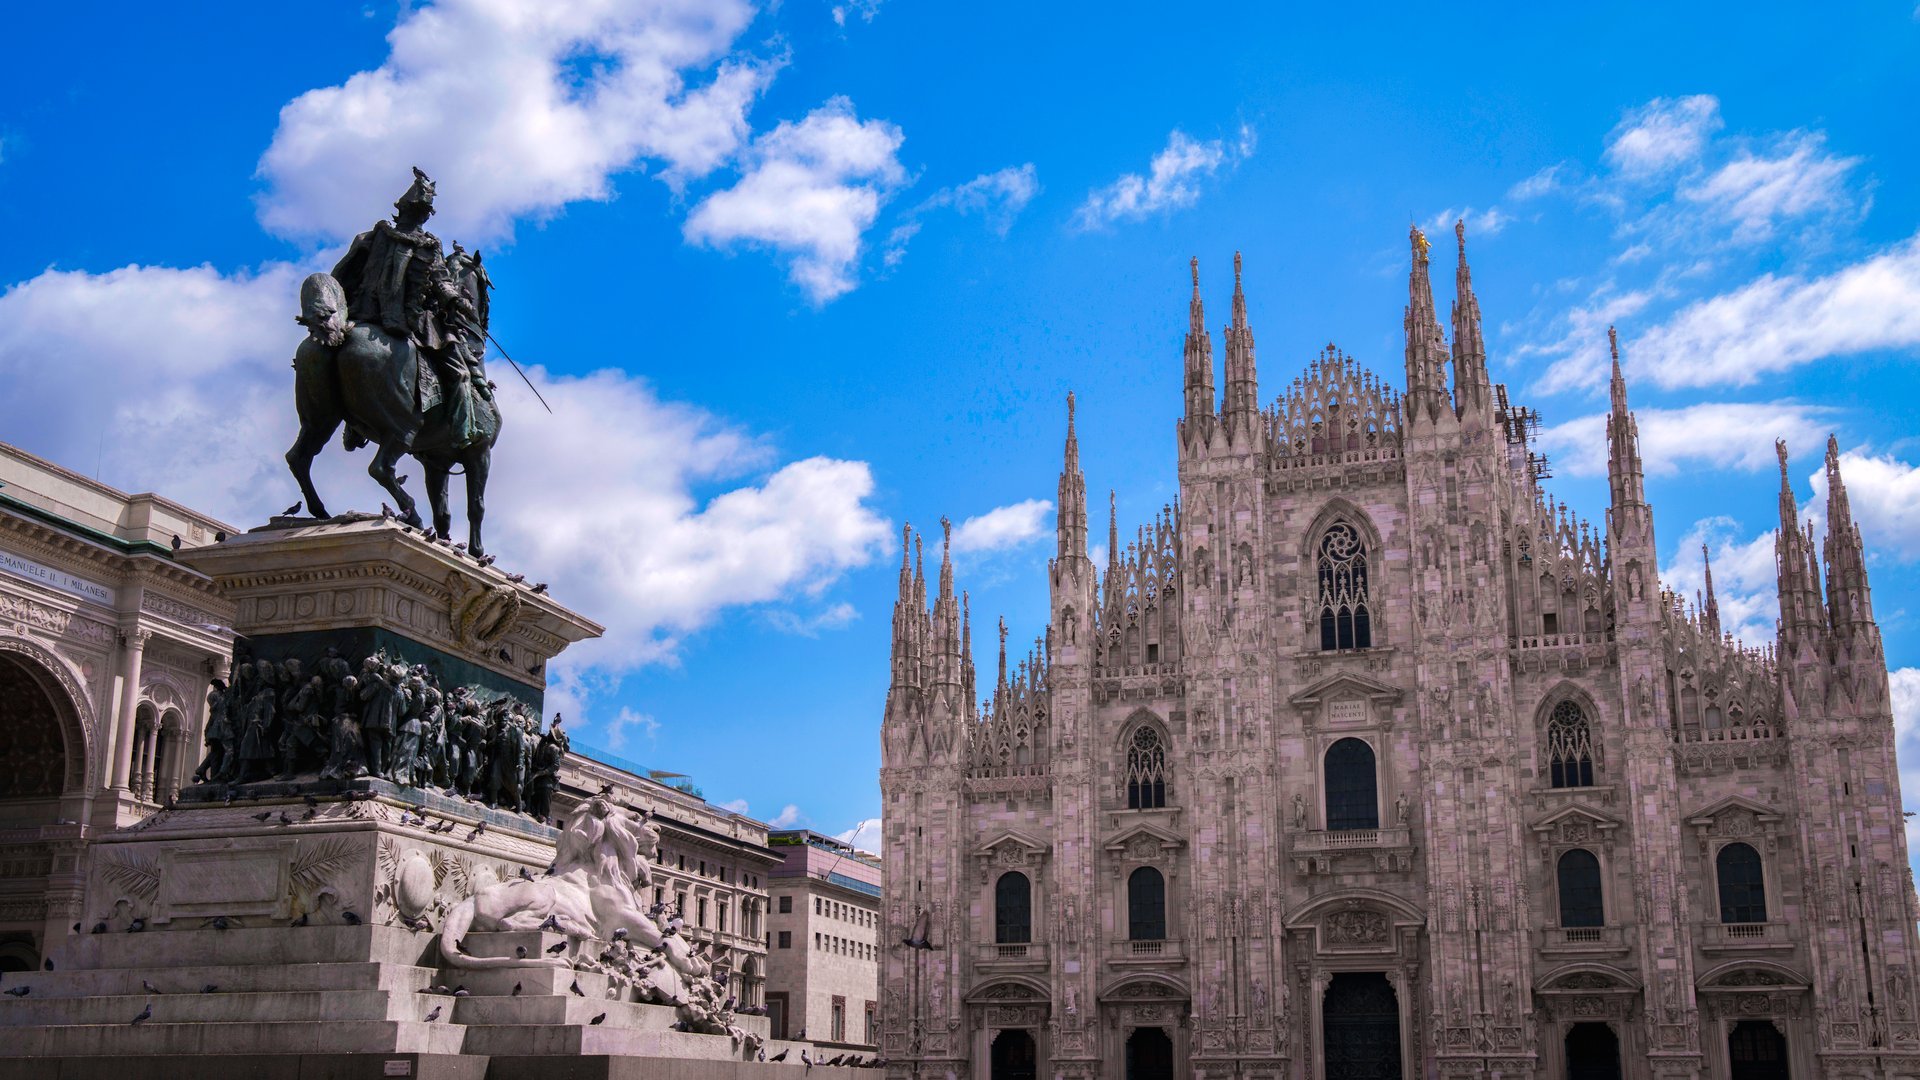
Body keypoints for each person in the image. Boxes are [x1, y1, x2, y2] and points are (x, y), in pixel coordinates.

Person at [328, 168, 486, 448]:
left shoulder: (375, 236)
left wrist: (453, 299)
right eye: (421, 211)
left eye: (423, 212)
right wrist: (456, 302)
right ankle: (462, 432)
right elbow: (440, 281)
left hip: (365, 312)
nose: (422, 216)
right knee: (459, 372)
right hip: (414, 320)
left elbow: (344, 273)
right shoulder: (420, 243)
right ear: (414, 212)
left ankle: (354, 425)